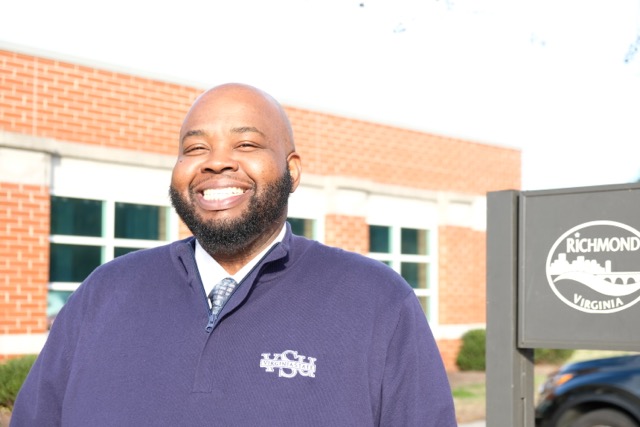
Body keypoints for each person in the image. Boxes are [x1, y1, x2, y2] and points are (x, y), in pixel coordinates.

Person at [11, 83, 457, 426]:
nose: (216, 162)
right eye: (195, 148)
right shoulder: (104, 293)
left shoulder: (376, 301)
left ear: (292, 171)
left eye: (246, 145)